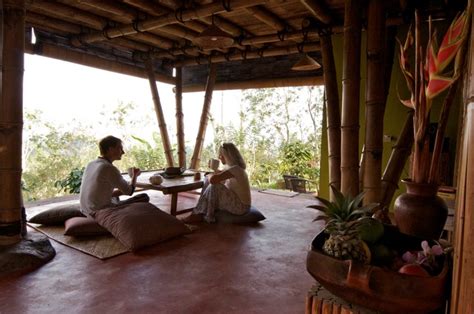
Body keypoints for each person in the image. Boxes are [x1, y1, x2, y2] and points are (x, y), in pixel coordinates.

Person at [80, 135, 148, 217]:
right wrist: (135, 175)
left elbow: (102, 193)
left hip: (85, 210)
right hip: (99, 212)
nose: (123, 152)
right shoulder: (108, 168)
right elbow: (129, 192)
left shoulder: (91, 164)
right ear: (110, 149)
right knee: (143, 197)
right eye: (120, 148)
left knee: (115, 197)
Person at [184, 142, 251, 223]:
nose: (219, 157)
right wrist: (212, 171)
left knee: (214, 185)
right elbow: (220, 177)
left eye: (221, 154)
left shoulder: (236, 169)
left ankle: (200, 214)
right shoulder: (230, 167)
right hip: (235, 201)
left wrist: (209, 175)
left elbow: (213, 180)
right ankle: (199, 212)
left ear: (227, 155)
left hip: (241, 207)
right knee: (208, 181)